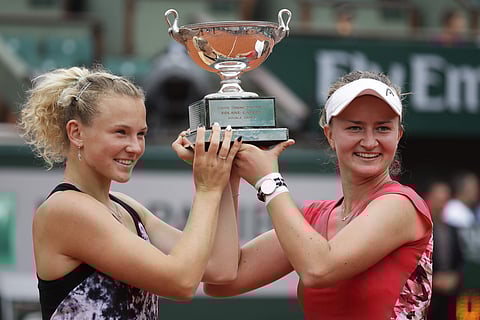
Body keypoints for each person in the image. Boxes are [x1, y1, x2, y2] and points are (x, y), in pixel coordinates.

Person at [176, 70, 434, 319]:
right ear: (330, 134)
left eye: (382, 129)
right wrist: (224, 172)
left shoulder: (400, 205)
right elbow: (222, 281)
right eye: (355, 128)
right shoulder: (314, 217)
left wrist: (269, 181)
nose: (369, 141)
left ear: (398, 135)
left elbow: (319, 268)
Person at [17, 66, 242, 319]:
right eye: (121, 132)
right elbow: (181, 282)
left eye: (141, 134)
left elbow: (220, 268)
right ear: (76, 133)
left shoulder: (126, 207)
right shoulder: (65, 209)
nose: (134, 147)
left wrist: (225, 176)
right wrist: (207, 188)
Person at [420, 179, 461, 320]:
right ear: (428, 198)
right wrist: (433, 279)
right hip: (426, 298)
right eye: (437, 199)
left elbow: (460, 259)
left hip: (451, 296)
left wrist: (455, 277)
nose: (441, 204)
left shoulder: (453, 230)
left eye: (444, 200)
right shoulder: (420, 229)